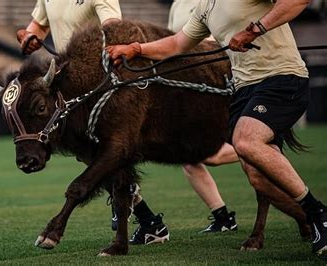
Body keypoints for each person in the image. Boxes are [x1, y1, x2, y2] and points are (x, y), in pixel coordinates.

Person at [107, 0, 327, 258]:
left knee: (245, 140)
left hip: (281, 78)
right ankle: (314, 219)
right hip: (245, 89)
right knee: (259, 178)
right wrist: (136, 49)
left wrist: (254, 29)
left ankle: (318, 215)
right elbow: (178, 44)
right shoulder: (204, 7)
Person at [15, 0, 171, 245]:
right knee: (95, 158)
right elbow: (37, 28)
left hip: (99, 81)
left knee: (105, 155)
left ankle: (145, 219)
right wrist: (28, 36)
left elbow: (113, 28)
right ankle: (149, 221)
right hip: (65, 86)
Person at [168, 0, 240, 234]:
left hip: (218, 83)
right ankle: (223, 218)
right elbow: (172, 43)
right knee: (189, 157)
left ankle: (257, 148)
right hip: (188, 87)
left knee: (206, 155)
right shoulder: (177, 4)